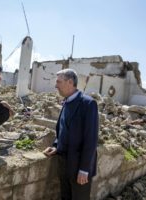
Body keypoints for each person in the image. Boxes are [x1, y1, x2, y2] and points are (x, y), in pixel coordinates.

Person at [43, 69, 99, 200]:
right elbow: (62, 130)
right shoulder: (66, 102)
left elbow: (91, 139)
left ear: (70, 82)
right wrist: (56, 146)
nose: (56, 85)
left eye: (58, 82)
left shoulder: (88, 104)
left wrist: (84, 169)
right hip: (64, 166)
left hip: (80, 169)